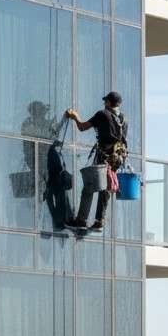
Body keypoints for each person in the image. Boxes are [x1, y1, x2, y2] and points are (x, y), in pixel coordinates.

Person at [64, 91, 129, 232]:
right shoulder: (124, 119)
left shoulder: (103, 114)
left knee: (90, 186)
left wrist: (75, 117)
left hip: (104, 156)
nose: (104, 103)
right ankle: (99, 221)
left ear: (108, 103)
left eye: (105, 101)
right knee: (105, 188)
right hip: (116, 158)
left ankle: (81, 220)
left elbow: (82, 127)